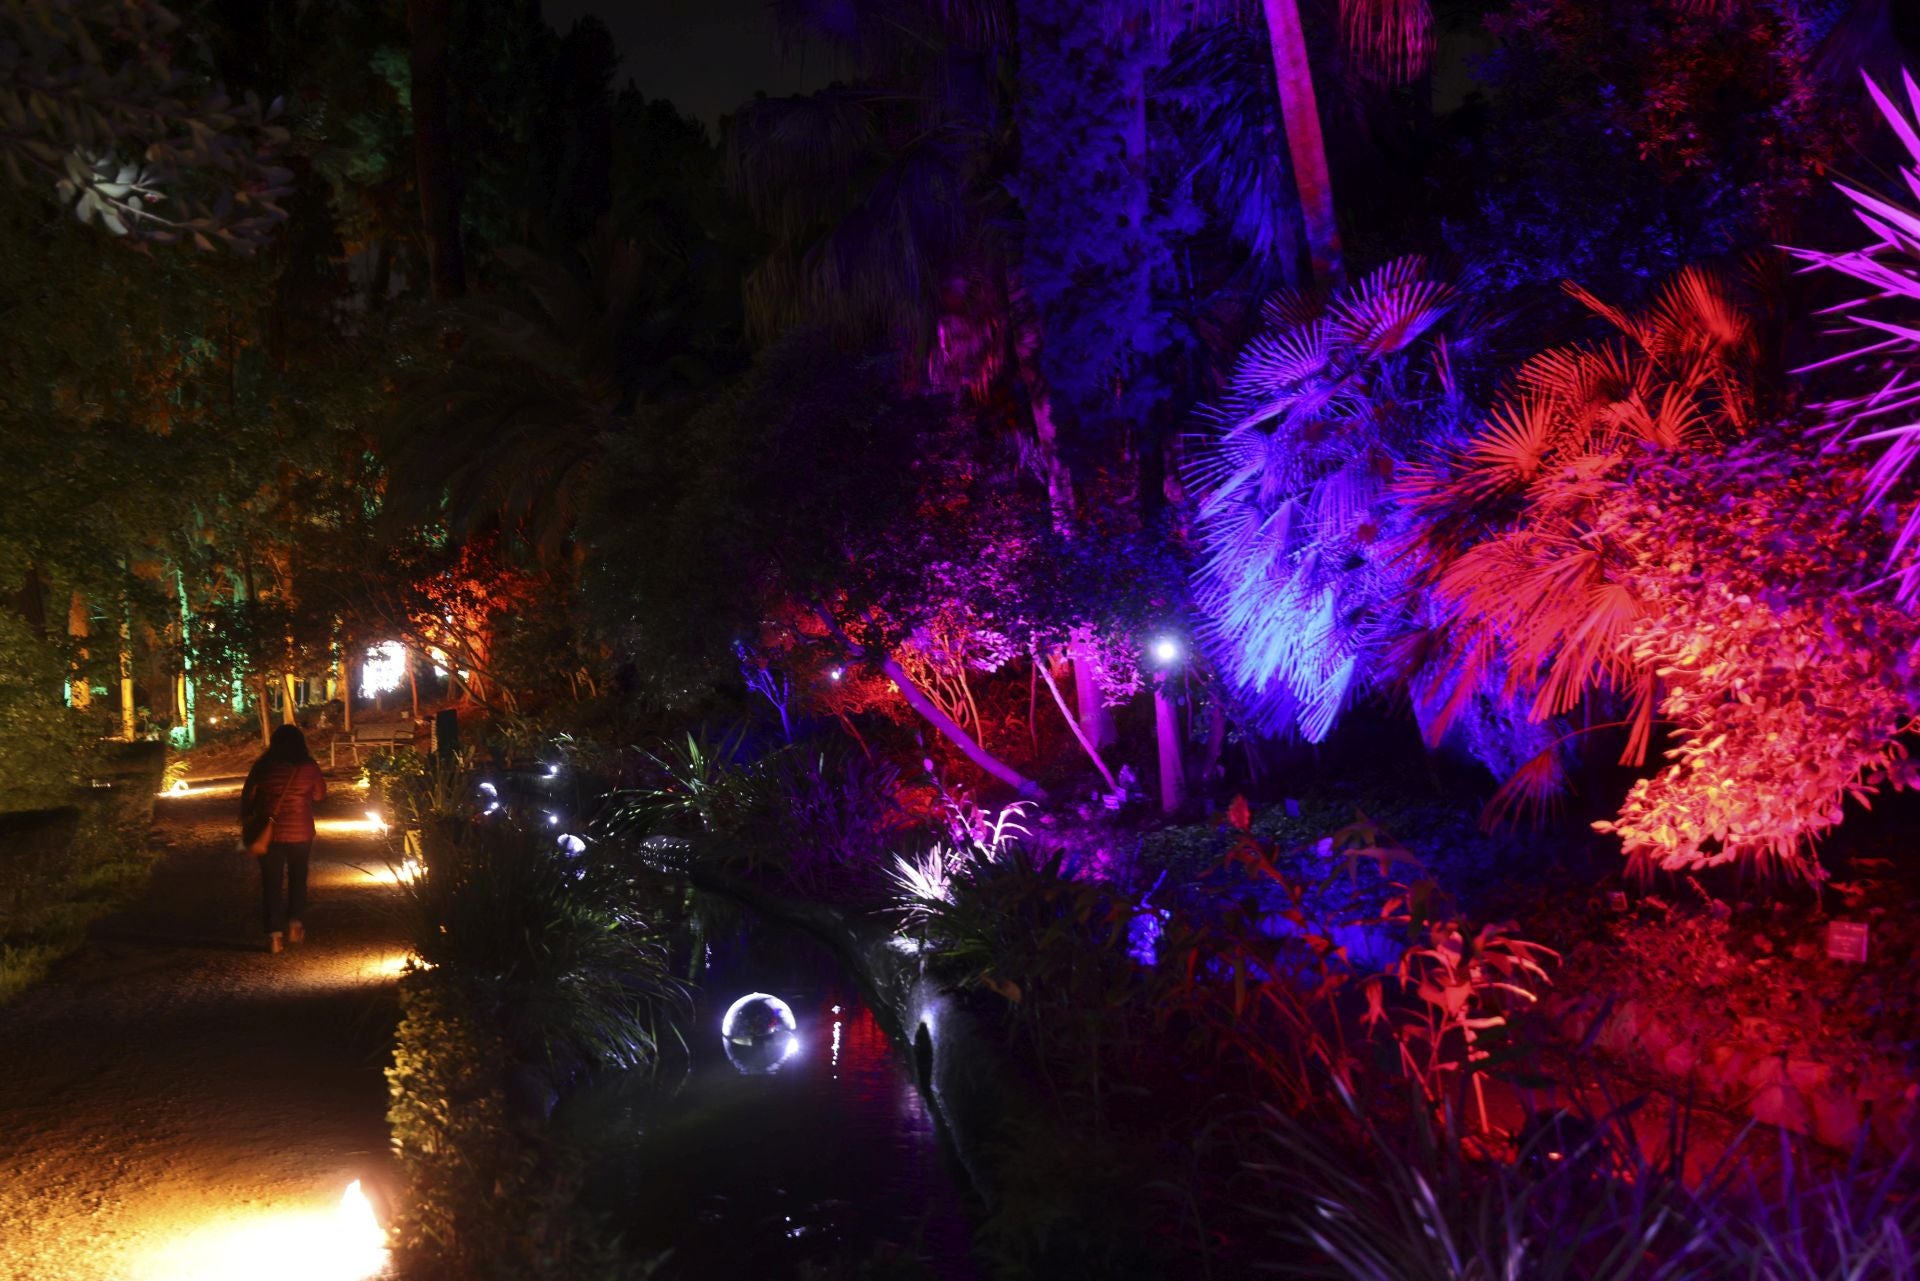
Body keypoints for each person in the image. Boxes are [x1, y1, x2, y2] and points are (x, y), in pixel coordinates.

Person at [241, 725, 328, 954]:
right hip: (301, 832)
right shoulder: (309, 767)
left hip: (269, 834)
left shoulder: (263, 766)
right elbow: (320, 795)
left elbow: (248, 796)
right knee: (298, 878)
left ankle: (274, 936)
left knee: (271, 883)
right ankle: (295, 924)